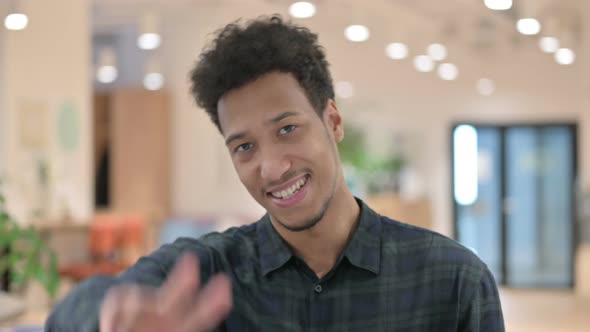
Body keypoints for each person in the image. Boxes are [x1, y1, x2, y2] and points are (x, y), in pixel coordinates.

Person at [45, 15, 504, 332]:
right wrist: (108, 317)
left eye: (287, 129)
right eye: (244, 146)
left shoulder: (452, 281)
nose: (271, 166)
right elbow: (71, 312)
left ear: (333, 121)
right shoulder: (212, 273)